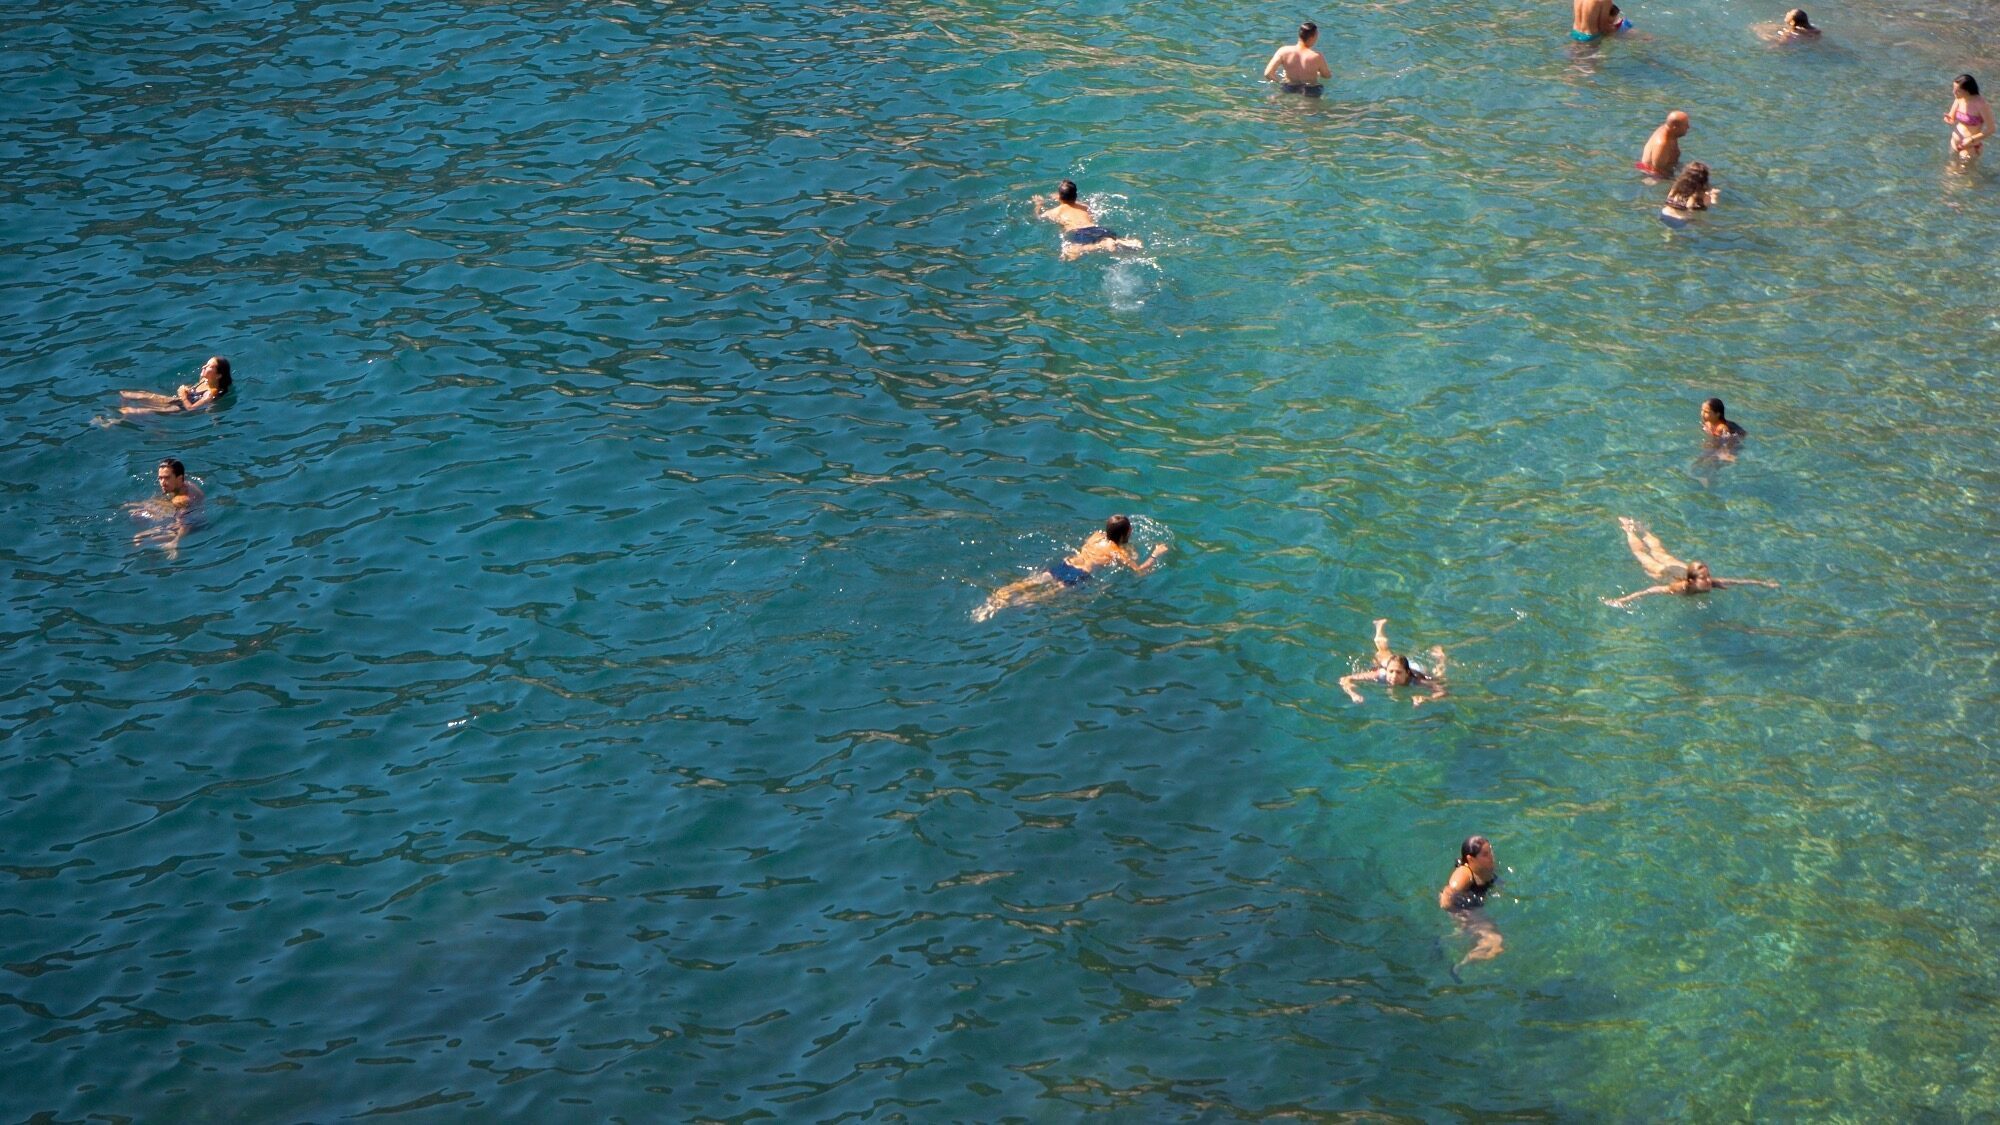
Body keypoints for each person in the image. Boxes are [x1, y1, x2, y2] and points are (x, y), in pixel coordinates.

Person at [973, 514, 1167, 621]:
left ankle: (995, 600)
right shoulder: (1118, 552)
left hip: (1067, 563)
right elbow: (1139, 571)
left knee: (1029, 582)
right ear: (1128, 532)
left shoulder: (1096, 536)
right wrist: (1154, 554)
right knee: (1043, 596)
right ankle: (1002, 609)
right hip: (1079, 575)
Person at [1605, 517, 1778, 607]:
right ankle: (1628, 529)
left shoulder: (1709, 583)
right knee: (1641, 554)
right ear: (1691, 582)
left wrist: (1762, 583)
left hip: (1679, 568)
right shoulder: (1678, 589)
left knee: (1659, 550)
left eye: (1708, 576)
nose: (1709, 580)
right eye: (1704, 578)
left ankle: (1642, 529)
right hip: (1663, 571)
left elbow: (1736, 581)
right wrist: (1624, 599)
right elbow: (1650, 590)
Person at [1339, 618, 1446, 706]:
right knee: (1382, 651)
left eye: (1398, 673)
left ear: (1406, 673)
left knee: (1439, 678)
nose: (1394, 676)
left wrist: (1426, 698)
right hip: (1389, 663)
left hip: (1415, 668)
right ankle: (1379, 625)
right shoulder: (1380, 674)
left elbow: (1442, 691)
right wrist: (1352, 693)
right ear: (1387, 671)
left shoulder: (1416, 680)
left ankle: (1441, 657)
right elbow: (1345, 679)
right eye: (1391, 672)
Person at [1035, 181, 1144, 261]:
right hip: (1100, 229)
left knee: (1071, 252)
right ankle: (1118, 241)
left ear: (1059, 197)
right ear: (1076, 196)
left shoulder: (1055, 212)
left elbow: (1039, 217)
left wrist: (1038, 204)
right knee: (1108, 238)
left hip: (1081, 233)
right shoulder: (1084, 207)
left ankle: (1103, 244)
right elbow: (1074, 202)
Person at [1438, 835, 1504, 971]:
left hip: (1474, 908)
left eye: (1490, 851)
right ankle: (1459, 966)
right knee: (1494, 943)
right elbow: (1445, 901)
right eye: (1485, 854)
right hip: (1464, 909)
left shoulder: (1485, 868)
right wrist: (1462, 917)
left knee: (1494, 945)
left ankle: (1447, 940)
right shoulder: (1463, 874)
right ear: (1470, 859)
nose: (1491, 856)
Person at [125, 458, 205, 557]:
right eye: (160, 478)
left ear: (179, 478)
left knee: (138, 538)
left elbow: (185, 524)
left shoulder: (182, 499)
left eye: (167, 478)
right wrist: (143, 505)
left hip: (190, 527)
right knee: (139, 520)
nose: (162, 482)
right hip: (182, 521)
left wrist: (174, 543)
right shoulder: (185, 485)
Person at [119, 356, 232, 415]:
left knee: (143, 411)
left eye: (209, 367)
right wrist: (187, 389)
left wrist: (183, 395)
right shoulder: (204, 379)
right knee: (130, 394)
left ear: (218, 375)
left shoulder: (211, 393)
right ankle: (122, 411)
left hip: (180, 408)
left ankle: (114, 421)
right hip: (178, 399)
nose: (203, 367)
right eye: (206, 364)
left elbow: (191, 409)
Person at [1263, 21, 1332, 96]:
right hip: (1310, 90)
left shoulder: (1283, 51)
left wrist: (1280, 84)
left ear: (1299, 35)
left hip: (1289, 88)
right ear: (1313, 37)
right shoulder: (1316, 56)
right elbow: (1327, 76)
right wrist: (1317, 73)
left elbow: (1268, 73)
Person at [1945, 74, 1993, 161]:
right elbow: (1952, 117)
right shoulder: (1959, 98)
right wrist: (1949, 119)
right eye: (1953, 88)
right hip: (1954, 142)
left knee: (1964, 174)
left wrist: (1971, 139)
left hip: (1970, 146)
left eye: (1957, 90)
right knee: (1950, 172)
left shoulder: (1981, 104)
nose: (1953, 92)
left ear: (1967, 91)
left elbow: (1991, 129)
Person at [1636, 111, 1690, 178]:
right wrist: (1676, 180)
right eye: (1685, 125)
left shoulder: (1671, 132)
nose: (1688, 127)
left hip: (1669, 168)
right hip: (1653, 176)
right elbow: (1656, 171)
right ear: (1675, 128)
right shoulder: (1661, 145)